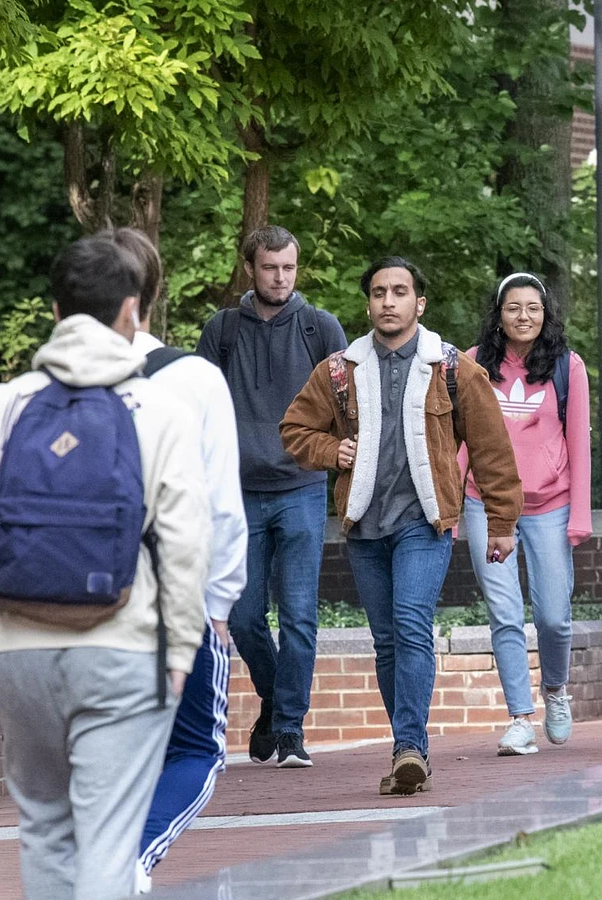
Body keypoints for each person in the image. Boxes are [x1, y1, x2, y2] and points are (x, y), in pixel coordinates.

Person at [0, 235, 209, 898]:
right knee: (108, 838)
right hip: (123, 649)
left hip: (18, 651)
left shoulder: (2, 408)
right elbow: (186, 543)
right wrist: (181, 649)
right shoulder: (160, 411)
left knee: (45, 827)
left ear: (54, 309)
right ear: (132, 310)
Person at [281, 256, 522, 794]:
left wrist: (503, 523)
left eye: (400, 292)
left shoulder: (453, 368)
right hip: (365, 527)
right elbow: (294, 428)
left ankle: (410, 748)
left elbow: (492, 450)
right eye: (379, 293)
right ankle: (406, 749)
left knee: (411, 627)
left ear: (420, 303)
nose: (388, 301)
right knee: (386, 642)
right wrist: (329, 448)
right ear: (368, 303)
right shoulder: (340, 370)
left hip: (425, 522)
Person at [106, 229, 247, 891]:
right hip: (167, 598)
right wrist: (217, 605)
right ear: (149, 297)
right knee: (196, 748)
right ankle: (129, 863)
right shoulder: (193, 379)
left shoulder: (43, 381)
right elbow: (221, 503)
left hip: (65, 606)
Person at [197, 226, 347, 768]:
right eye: (270, 268)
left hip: (303, 487)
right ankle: (274, 698)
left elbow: (351, 405)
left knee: (301, 615)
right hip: (236, 493)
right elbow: (200, 413)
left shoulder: (320, 328)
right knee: (241, 619)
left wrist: (336, 456)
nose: (281, 277)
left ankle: (288, 730)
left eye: (289, 267)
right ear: (250, 269)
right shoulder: (222, 331)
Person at [459, 272, 592, 755]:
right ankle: (520, 717)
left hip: (550, 505)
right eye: (513, 307)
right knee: (505, 613)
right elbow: (460, 438)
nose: (523, 316)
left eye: (533, 308)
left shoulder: (567, 366)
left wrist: (580, 515)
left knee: (555, 617)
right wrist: (454, 504)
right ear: (498, 315)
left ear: (546, 313)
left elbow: (579, 443)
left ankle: (555, 690)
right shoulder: (472, 364)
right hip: (485, 502)